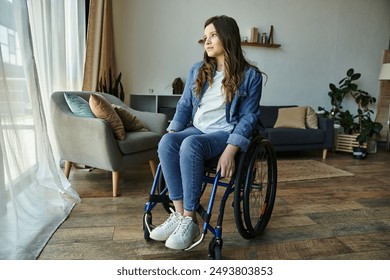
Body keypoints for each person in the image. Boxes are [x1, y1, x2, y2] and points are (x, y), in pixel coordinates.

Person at [149, 15, 264, 250]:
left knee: (191, 144)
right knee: (167, 142)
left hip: (224, 134)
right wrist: (172, 132)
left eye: (213, 35)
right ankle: (180, 215)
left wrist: (231, 151)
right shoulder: (198, 70)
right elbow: (184, 105)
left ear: (228, 37)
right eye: (205, 37)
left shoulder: (250, 76)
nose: (207, 41)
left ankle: (189, 219)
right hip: (198, 129)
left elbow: (249, 118)